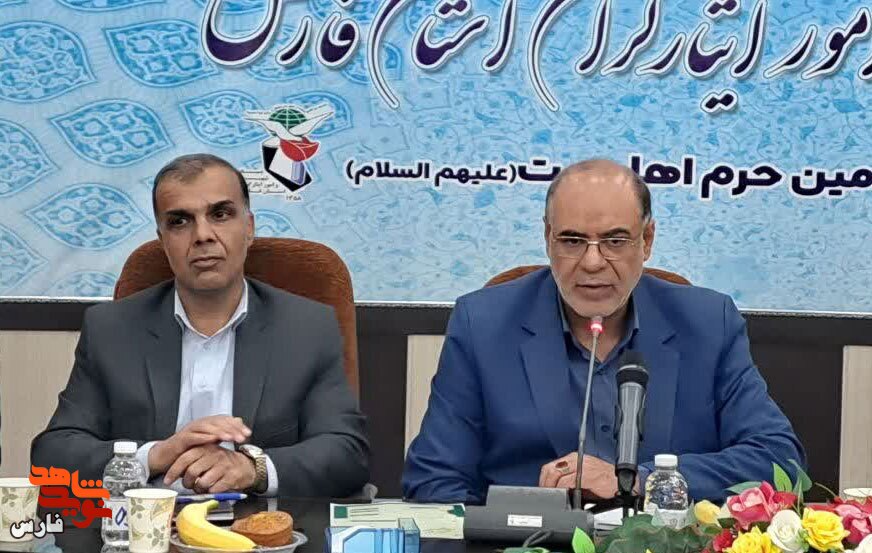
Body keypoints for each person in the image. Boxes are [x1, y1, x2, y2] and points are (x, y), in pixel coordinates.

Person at [402, 159, 804, 504]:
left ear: (646, 240)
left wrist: (642, 480)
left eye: (615, 240)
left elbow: (780, 462)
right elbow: (434, 479)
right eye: (572, 240)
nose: (593, 262)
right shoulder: (483, 324)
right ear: (548, 239)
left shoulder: (708, 323)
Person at [31, 153, 369, 497]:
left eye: (220, 214)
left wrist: (251, 469)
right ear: (162, 240)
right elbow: (53, 454)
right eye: (180, 221)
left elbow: (346, 454)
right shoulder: (111, 329)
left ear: (249, 228)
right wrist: (154, 455)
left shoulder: (307, 329)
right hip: (149, 523)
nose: (202, 235)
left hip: (259, 524)